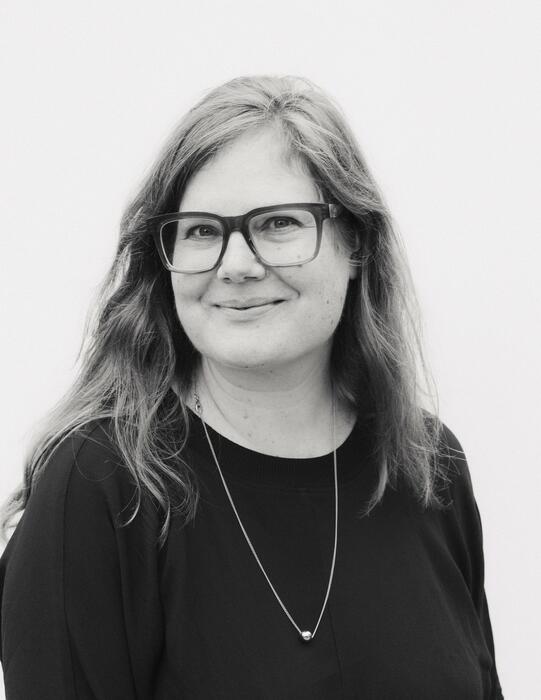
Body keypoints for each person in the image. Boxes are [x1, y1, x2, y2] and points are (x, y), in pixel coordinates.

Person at [0, 75, 503, 699]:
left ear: (356, 244)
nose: (236, 265)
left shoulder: (428, 467)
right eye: (201, 231)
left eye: (278, 223)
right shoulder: (102, 486)